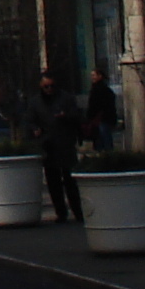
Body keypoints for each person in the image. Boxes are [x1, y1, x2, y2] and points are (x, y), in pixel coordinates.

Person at [33, 71, 86, 224]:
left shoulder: (66, 98)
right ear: (41, 87)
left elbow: (78, 116)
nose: (49, 89)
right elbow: (29, 120)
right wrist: (35, 129)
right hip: (48, 146)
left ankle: (77, 211)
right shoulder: (36, 102)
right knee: (53, 181)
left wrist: (66, 116)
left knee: (70, 181)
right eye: (46, 87)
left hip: (65, 143)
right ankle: (61, 212)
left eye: (52, 86)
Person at [83, 70, 118, 151]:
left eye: (94, 75)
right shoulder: (102, 89)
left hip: (102, 118)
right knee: (103, 139)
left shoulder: (100, 89)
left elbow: (96, 105)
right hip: (101, 119)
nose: (92, 77)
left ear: (100, 76)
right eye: (92, 75)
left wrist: (90, 116)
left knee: (103, 140)